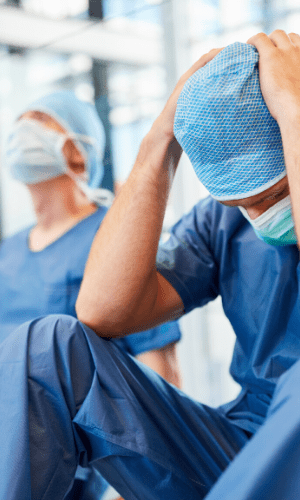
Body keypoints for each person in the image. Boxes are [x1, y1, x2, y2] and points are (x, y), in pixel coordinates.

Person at [1, 29, 300, 499]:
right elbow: (103, 312)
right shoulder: (223, 225)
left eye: (275, 195)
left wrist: (295, 110)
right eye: (244, 203)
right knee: (49, 347)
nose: (260, 217)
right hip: (242, 451)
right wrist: (161, 138)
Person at [0, 91, 182, 500]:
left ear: (80, 152)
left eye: (40, 120)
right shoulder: (7, 252)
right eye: (22, 119)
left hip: (67, 467)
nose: (21, 130)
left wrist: (129, 489)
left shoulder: (114, 240)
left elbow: (162, 372)